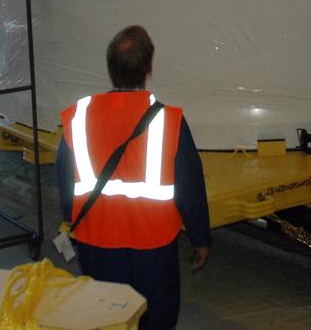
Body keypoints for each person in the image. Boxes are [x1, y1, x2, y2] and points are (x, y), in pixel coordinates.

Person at [56, 26, 210, 330]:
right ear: (148, 68)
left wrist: (69, 220)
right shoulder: (169, 120)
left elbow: (64, 181)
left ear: (110, 68)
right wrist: (200, 238)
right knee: (156, 318)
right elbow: (190, 188)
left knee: (105, 319)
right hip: (153, 246)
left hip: (96, 240)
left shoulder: (79, 116)